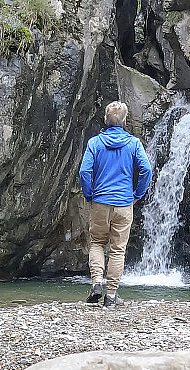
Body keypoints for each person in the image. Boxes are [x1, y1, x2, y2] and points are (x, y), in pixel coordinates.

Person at [79, 101, 152, 307]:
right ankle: (111, 296)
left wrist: (89, 194)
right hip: (124, 203)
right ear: (125, 121)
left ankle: (95, 284)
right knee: (118, 249)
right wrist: (137, 194)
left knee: (97, 243)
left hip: (100, 202)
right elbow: (146, 170)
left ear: (105, 119)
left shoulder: (95, 143)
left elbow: (84, 172)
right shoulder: (134, 143)